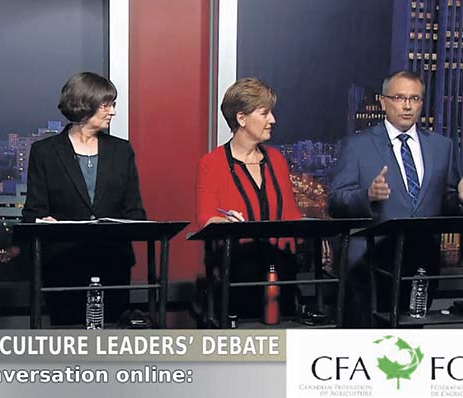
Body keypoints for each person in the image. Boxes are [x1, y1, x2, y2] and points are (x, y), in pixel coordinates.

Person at [328, 69, 463, 329]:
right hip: (370, 266)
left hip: (420, 265)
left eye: (415, 99)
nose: (407, 105)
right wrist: (366, 196)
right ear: (383, 101)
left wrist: (459, 199)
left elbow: (446, 203)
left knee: (407, 351)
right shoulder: (356, 146)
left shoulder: (441, 146)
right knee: (367, 349)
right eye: (400, 97)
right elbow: (335, 202)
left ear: (422, 103)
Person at [23, 71, 146, 326]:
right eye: (106, 105)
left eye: (113, 105)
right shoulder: (45, 152)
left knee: (111, 341)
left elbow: (135, 211)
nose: (112, 112)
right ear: (84, 105)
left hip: (114, 262)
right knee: (68, 339)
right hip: (63, 264)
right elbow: (32, 212)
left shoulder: (122, 151)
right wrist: (43, 222)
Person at [196, 77, 302, 321]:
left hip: (282, 271)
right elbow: (205, 217)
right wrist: (223, 223)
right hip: (238, 273)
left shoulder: (277, 160)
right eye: (264, 113)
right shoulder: (211, 164)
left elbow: (291, 215)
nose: (272, 120)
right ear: (241, 119)